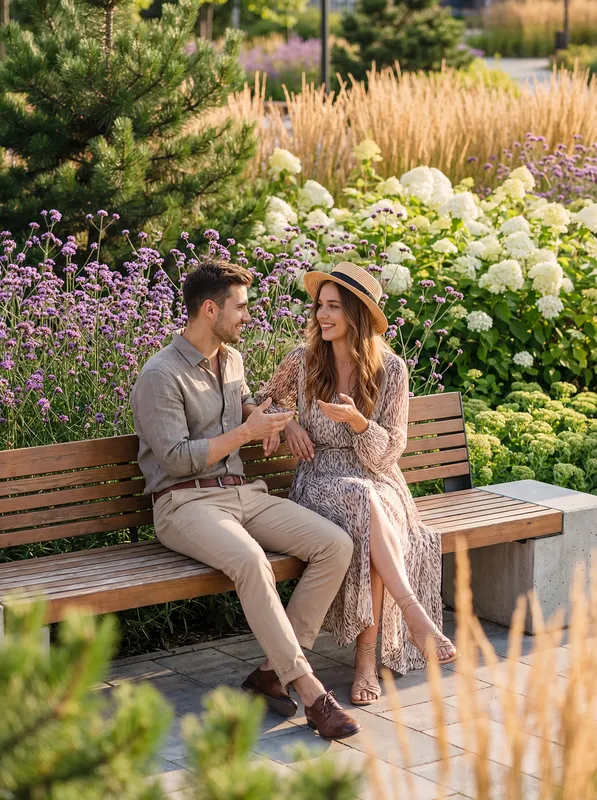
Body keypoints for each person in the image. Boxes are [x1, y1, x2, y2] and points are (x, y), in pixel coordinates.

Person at [131, 259, 361, 740]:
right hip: (184, 505)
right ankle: (311, 689)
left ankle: (270, 674)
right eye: (240, 307)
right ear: (210, 308)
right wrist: (246, 432)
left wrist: (277, 418)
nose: (248, 316)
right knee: (252, 562)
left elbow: (243, 405)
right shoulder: (160, 375)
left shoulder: (230, 359)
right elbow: (173, 459)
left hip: (241, 494)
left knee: (335, 545)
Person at [256, 261, 459, 707]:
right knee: (366, 506)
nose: (321, 316)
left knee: (369, 508)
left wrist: (360, 423)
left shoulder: (391, 369)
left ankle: (369, 658)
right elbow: (262, 400)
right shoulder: (302, 360)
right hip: (319, 480)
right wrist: (287, 423)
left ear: (357, 314)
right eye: (319, 306)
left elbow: (390, 453)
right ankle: (408, 620)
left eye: (333, 307)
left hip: (377, 479)